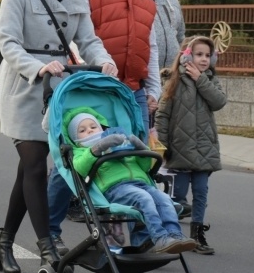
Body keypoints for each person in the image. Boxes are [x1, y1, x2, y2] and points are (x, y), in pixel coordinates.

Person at [0, 0, 117, 273]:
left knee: (28, 172)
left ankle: (5, 241)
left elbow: (88, 39)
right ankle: (47, 243)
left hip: (59, 87)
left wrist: (105, 59)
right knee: (34, 164)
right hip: (25, 83)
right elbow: (8, 42)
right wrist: (37, 67)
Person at [48, 0, 160, 254]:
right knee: (75, 160)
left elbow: (148, 42)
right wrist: (88, 71)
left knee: (132, 160)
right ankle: (50, 228)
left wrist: (152, 85)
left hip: (131, 91)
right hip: (94, 88)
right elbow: (75, 33)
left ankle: (136, 236)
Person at [64, 107, 197, 254]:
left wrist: (141, 148)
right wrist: (98, 148)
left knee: (164, 198)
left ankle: (174, 234)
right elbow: (81, 168)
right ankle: (160, 237)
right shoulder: (81, 151)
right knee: (144, 199)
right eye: (82, 130)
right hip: (115, 188)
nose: (89, 131)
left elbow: (145, 166)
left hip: (141, 183)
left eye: (93, 127)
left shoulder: (119, 142)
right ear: (76, 139)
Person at [156, 36, 226, 255]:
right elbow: (163, 115)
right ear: (187, 56)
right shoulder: (175, 81)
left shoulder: (211, 80)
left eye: (207, 55)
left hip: (204, 148)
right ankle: (172, 233)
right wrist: (162, 146)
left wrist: (201, 80)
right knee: (177, 195)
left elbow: (219, 102)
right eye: (199, 54)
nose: (204, 59)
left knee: (201, 192)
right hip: (180, 148)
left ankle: (197, 234)